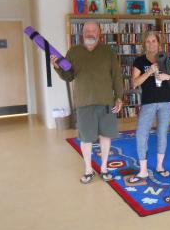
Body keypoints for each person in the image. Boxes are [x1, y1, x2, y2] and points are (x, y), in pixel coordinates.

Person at [51, 22, 123, 184]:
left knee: (105, 136)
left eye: (94, 30)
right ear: (82, 33)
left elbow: (117, 76)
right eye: (87, 31)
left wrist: (119, 97)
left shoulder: (108, 51)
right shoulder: (74, 52)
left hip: (106, 102)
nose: (90, 33)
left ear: (99, 33)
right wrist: (57, 67)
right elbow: (68, 76)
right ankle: (88, 170)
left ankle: (104, 168)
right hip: (84, 102)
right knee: (86, 138)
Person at [129, 32, 170, 182]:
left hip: (166, 102)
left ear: (159, 43)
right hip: (148, 102)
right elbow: (135, 83)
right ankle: (143, 170)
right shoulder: (139, 61)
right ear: (144, 44)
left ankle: (160, 166)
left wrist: (168, 77)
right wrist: (149, 71)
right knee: (141, 133)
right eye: (148, 41)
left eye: (154, 41)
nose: (151, 44)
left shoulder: (165, 58)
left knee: (162, 133)